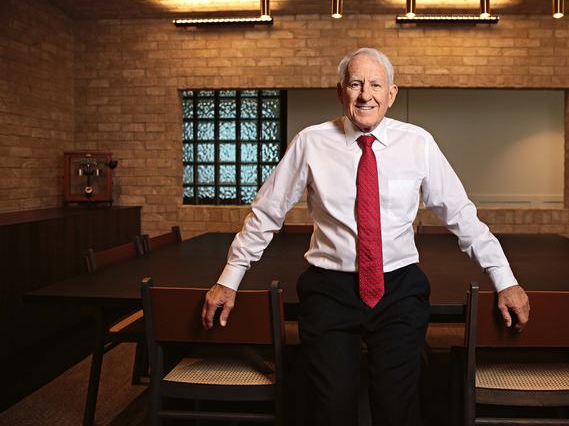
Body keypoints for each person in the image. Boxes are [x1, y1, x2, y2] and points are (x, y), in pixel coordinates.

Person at [201, 47, 530, 426]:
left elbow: (461, 215)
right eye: (355, 84)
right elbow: (267, 213)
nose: (365, 94)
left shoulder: (419, 143)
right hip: (329, 290)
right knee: (331, 407)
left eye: (376, 85)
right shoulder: (311, 142)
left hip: (399, 290)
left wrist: (504, 279)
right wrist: (230, 278)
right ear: (341, 91)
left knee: (397, 406)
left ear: (392, 94)